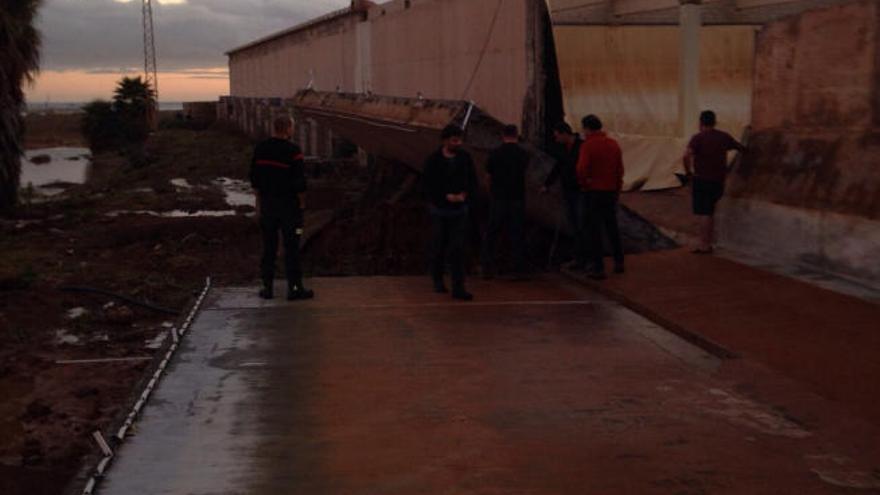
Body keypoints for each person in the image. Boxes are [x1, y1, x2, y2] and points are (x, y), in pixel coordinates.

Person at [249, 115, 314, 301]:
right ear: (287, 129)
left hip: (268, 206)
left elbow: (254, 179)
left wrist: (258, 204)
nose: (292, 131)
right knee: (292, 248)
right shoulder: (294, 151)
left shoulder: (261, 148)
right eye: (292, 128)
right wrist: (302, 204)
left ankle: (267, 288)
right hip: (289, 207)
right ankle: (294, 289)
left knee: (269, 248)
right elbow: (299, 182)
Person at [423, 125, 478, 301]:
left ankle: (458, 287)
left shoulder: (464, 158)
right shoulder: (433, 160)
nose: (458, 143)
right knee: (439, 245)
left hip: (459, 210)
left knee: (458, 248)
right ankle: (438, 279)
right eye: (455, 140)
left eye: (459, 140)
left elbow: (472, 180)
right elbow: (429, 185)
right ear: (445, 140)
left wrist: (464, 195)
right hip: (440, 210)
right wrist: (445, 197)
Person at [683, 110, 745, 254]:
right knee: (710, 211)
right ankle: (708, 242)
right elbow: (741, 148)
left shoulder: (697, 138)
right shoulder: (724, 137)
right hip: (718, 181)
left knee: (704, 213)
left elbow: (686, 156)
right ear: (714, 122)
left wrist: (688, 173)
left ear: (700, 123)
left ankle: (704, 244)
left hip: (701, 179)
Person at [577, 114, 625, 280]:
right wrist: (617, 188)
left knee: (594, 230)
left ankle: (598, 267)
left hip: (594, 191)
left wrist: (585, 184)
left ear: (587, 128)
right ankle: (619, 261)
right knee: (612, 226)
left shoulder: (588, 145)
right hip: (610, 191)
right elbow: (620, 169)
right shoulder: (613, 144)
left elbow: (581, 169)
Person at [481, 124, 531, 279]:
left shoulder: (495, 154)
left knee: (492, 233)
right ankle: (519, 268)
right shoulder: (524, 154)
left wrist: (491, 194)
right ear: (516, 135)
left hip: (499, 198)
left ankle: (488, 267)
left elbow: (488, 177)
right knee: (517, 234)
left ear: (502, 135)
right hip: (517, 197)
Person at [540, 122, 585, 268]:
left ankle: (583, 257)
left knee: (581, 224)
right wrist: (547, 184)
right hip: (570, 191)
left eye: (557, 135)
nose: (556, 139)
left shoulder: (582, 147)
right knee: (574, 224)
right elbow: (558, 167)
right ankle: (578, 257)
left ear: (565, 133)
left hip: (581, 191)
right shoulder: (564, 149)